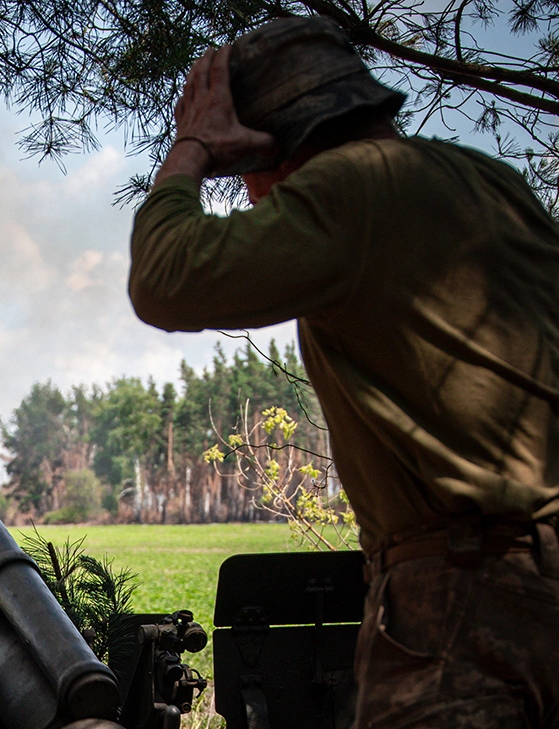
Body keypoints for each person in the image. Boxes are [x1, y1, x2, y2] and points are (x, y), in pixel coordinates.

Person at [128, 16, 559, 729]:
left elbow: (164, 279)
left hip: (461, 589)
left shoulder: (345, 190)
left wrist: (193, 149)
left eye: (245, 174)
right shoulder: (491, 180)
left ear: (268, 150)